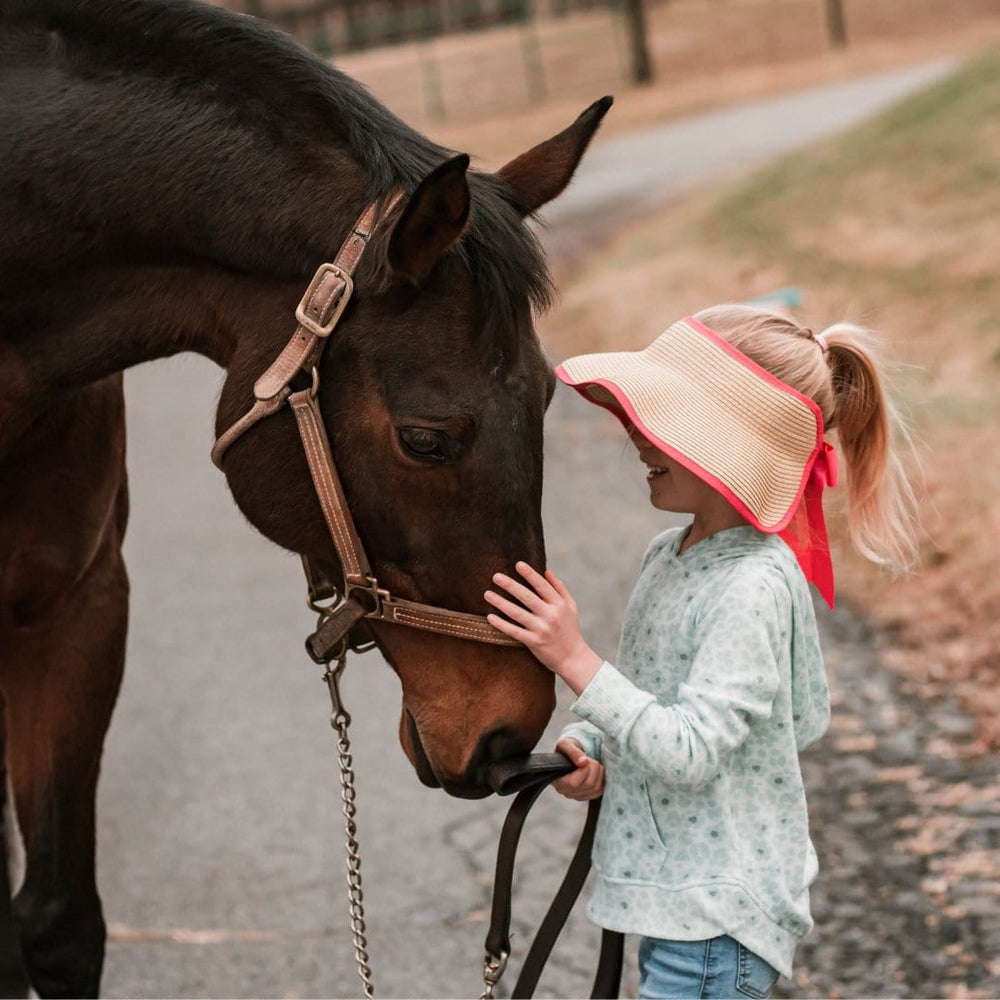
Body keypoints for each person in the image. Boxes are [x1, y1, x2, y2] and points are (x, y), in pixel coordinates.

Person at [484, 305, 919, 999]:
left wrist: (572, 658)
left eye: (663, 424)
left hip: (717, 925)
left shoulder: (751, 586)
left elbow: (689, 750)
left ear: (732, 448)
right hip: (676, 901)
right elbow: (650, 695)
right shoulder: (673, 554)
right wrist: (588, 745)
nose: (636, 438)